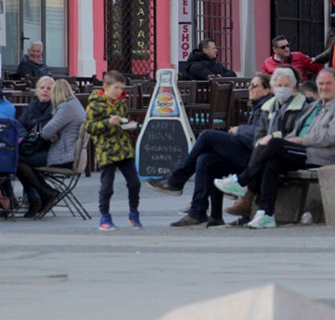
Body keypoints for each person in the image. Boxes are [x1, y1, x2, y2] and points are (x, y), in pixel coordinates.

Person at [215, 68, 335, 229]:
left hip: (320, 156)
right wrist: (288, 140)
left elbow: (331, 136)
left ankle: (241, 181)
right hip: (303, 150)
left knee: (274, 143)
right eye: (321, 83)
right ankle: (266, 213)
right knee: (271, 161)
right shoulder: (315, 106)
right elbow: (297, 129)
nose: (324, 87)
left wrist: (299, 140)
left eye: (328, 83)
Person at [148, 73, 273, 227]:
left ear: (267, 90)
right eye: (250, 85)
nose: (250, 88)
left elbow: (257, 133)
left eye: (255, 86)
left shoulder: (268, 106)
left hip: (254, 158)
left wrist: (239, 129)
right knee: (206, 160)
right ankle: (203, 213)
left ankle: (176, 180)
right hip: (247, 151)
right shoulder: (258, 106)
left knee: (207, 136)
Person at [16, 78, 84, 218]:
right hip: (38, 148)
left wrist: (34, 129)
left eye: (49, 88)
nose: (45, 91)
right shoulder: (32, 106)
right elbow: (20, 124)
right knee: (17, 160)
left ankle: (42, 194)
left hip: (53, 152)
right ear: (36, 90)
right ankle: (41, 195)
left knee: (17, 161)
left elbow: (46, 132)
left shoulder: (58, 107)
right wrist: (29, 133)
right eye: (42, 87)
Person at [86, 71, 142, 231]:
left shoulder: (121, 103)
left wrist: (128, 125)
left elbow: (124, 119)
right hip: (107, 149)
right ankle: (104, 217)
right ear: (106, 87)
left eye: (121, 88)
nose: (118, 91)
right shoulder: (95, 104)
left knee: (134, 183)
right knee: (107, 186)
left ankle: (134, 213)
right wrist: (107, 123)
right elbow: (89, 126)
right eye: (116, 88)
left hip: (123, 148)